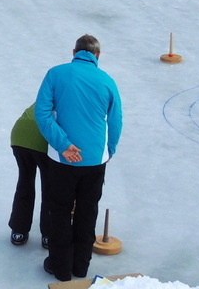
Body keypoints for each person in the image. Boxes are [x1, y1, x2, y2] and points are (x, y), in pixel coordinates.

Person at [34, 35, 123, 283]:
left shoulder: (56, 74)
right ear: (98, 55)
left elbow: (42, 114)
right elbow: (115, 122)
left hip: (62, 160)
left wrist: (64, 145)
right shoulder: (107, 81)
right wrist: (109, 151)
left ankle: (60, 269)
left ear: (74, 51)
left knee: (60, 211)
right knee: (87, 211)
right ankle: (81, 268)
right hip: (95, 160)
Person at [9, 104, 49, 249]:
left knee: (25, 180)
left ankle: (18, 230)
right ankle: (49, 235)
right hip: (41, 139)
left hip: (19, 137)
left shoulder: (44, 97)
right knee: (50, 187)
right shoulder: (68, 103)